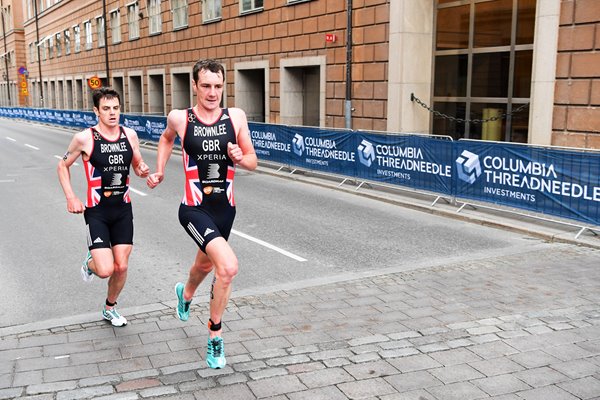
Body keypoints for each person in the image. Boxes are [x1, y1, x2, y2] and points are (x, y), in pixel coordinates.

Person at [147, 59, 257, 369]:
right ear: (195, 86)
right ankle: (215, 337)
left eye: (218, 86)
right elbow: (167, 138)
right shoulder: (180, 118)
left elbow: (252, 161)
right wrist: (159, 170)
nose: (212, 93)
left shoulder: (235, 117)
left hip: (226, 209)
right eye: (206, 86)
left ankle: (185, 293)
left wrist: (240, 156)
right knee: (228, 267)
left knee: (205, 264)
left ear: (224, 86)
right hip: (194, 209)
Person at [57, 87, 149, 327]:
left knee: (122, 266)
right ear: (96, 111)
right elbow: (62, 166)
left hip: (122, 210)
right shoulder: (85, 138)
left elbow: (138, 165)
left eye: (116, 108)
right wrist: (71, 197)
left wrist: (143, 171)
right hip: (97, 211)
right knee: (106, 269)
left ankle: (110, 308)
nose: (112, 113)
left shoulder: (129, 135)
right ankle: (90, 262)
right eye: (106, 109)